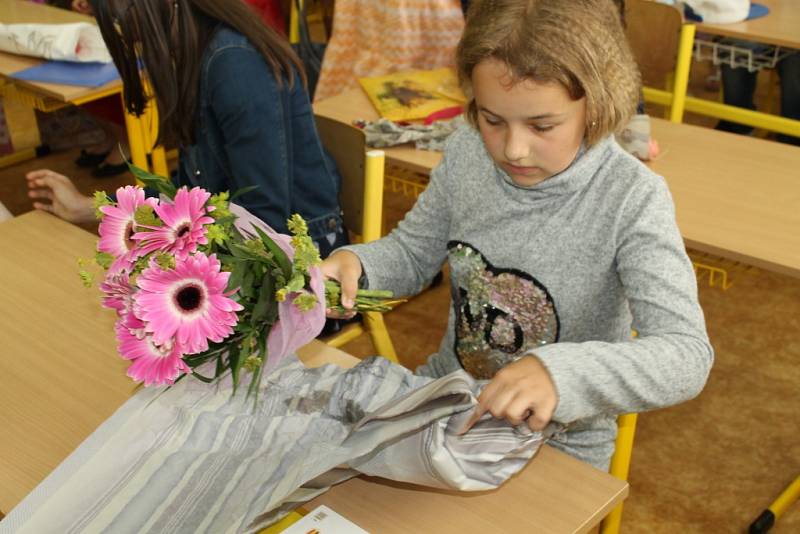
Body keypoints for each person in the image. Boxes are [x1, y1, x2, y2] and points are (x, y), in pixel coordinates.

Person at [321, 0, 713, 470]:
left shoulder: (632, 198)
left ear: (597, 104)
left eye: (542, 125)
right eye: (492, 120)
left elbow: (685, 354)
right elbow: (410, 254)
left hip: (561, 446)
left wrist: (560, 375)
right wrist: (356, 265)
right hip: (448, 402)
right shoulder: (468, 151)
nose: (513, 148)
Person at [27, 0, 347, 255]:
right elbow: (186, 194)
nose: (131, 41)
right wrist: (92, 208)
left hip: (300, 263)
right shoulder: (198, 50)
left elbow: (264, 222)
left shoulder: (235, 66)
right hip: (247, 241)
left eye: (121, 23)